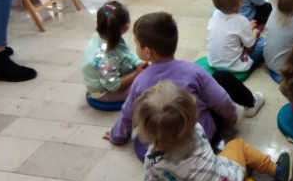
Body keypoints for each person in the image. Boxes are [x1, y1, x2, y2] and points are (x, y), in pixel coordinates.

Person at [105, 12, 264, 157]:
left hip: (160, 148)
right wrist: (231, 118)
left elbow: (128, 114)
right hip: (199, 141)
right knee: (222, 78)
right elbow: (221, 100)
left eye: (136, 43)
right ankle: (252, 101)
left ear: (147, 52)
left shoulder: (140, 81)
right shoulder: (193, 71)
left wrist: (116, 136)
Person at [130, 81, 293, 181]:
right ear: (191, 115)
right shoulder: (196, 129)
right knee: (236, 145)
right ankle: (277, 171)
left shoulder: (152, 161)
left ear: (145, 130)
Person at [82, 1, 147, 105]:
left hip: (111, 75)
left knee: (145, 78)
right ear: (126, 27)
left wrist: (138, 63)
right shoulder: (104, 58)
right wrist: (136, 74)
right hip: (105, 93)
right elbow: (113, 86)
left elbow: (127, 53)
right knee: (145, 86)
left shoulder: (111, 37)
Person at [208, 0, 264, 73]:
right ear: (239, 3)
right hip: (234, 66)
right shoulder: (242, 21)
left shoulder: (215, 15)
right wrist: (254, 33)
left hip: (213, 62)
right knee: (263, 42)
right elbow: (250, 47)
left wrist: (247, 29)